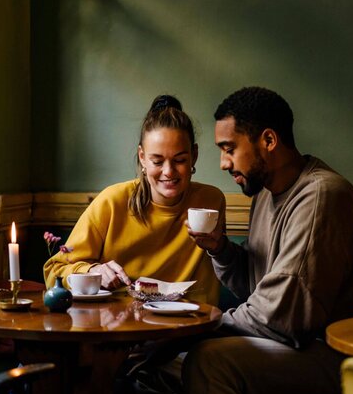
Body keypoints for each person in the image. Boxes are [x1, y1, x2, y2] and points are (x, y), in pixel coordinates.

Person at [183, 86, 353, 394]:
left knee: (210, 361)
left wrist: (194, 328)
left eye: (229, 148)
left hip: (341, 358)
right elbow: (257, 285)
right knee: (163, 369)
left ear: (269, 140)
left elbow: (281, 317)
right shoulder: (264, 194)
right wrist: (219, 248)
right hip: (290, 346)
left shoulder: (322, 194)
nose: (223, 163)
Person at [43, 94, 224, 306]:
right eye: (157, 161)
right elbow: (54, 271)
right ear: (142, 157)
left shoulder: (211, 201)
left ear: (194, 155)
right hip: (119, 328)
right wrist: (92, 270)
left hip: (190, 327)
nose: (168, 171)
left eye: (180, 160)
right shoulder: (112, 202)